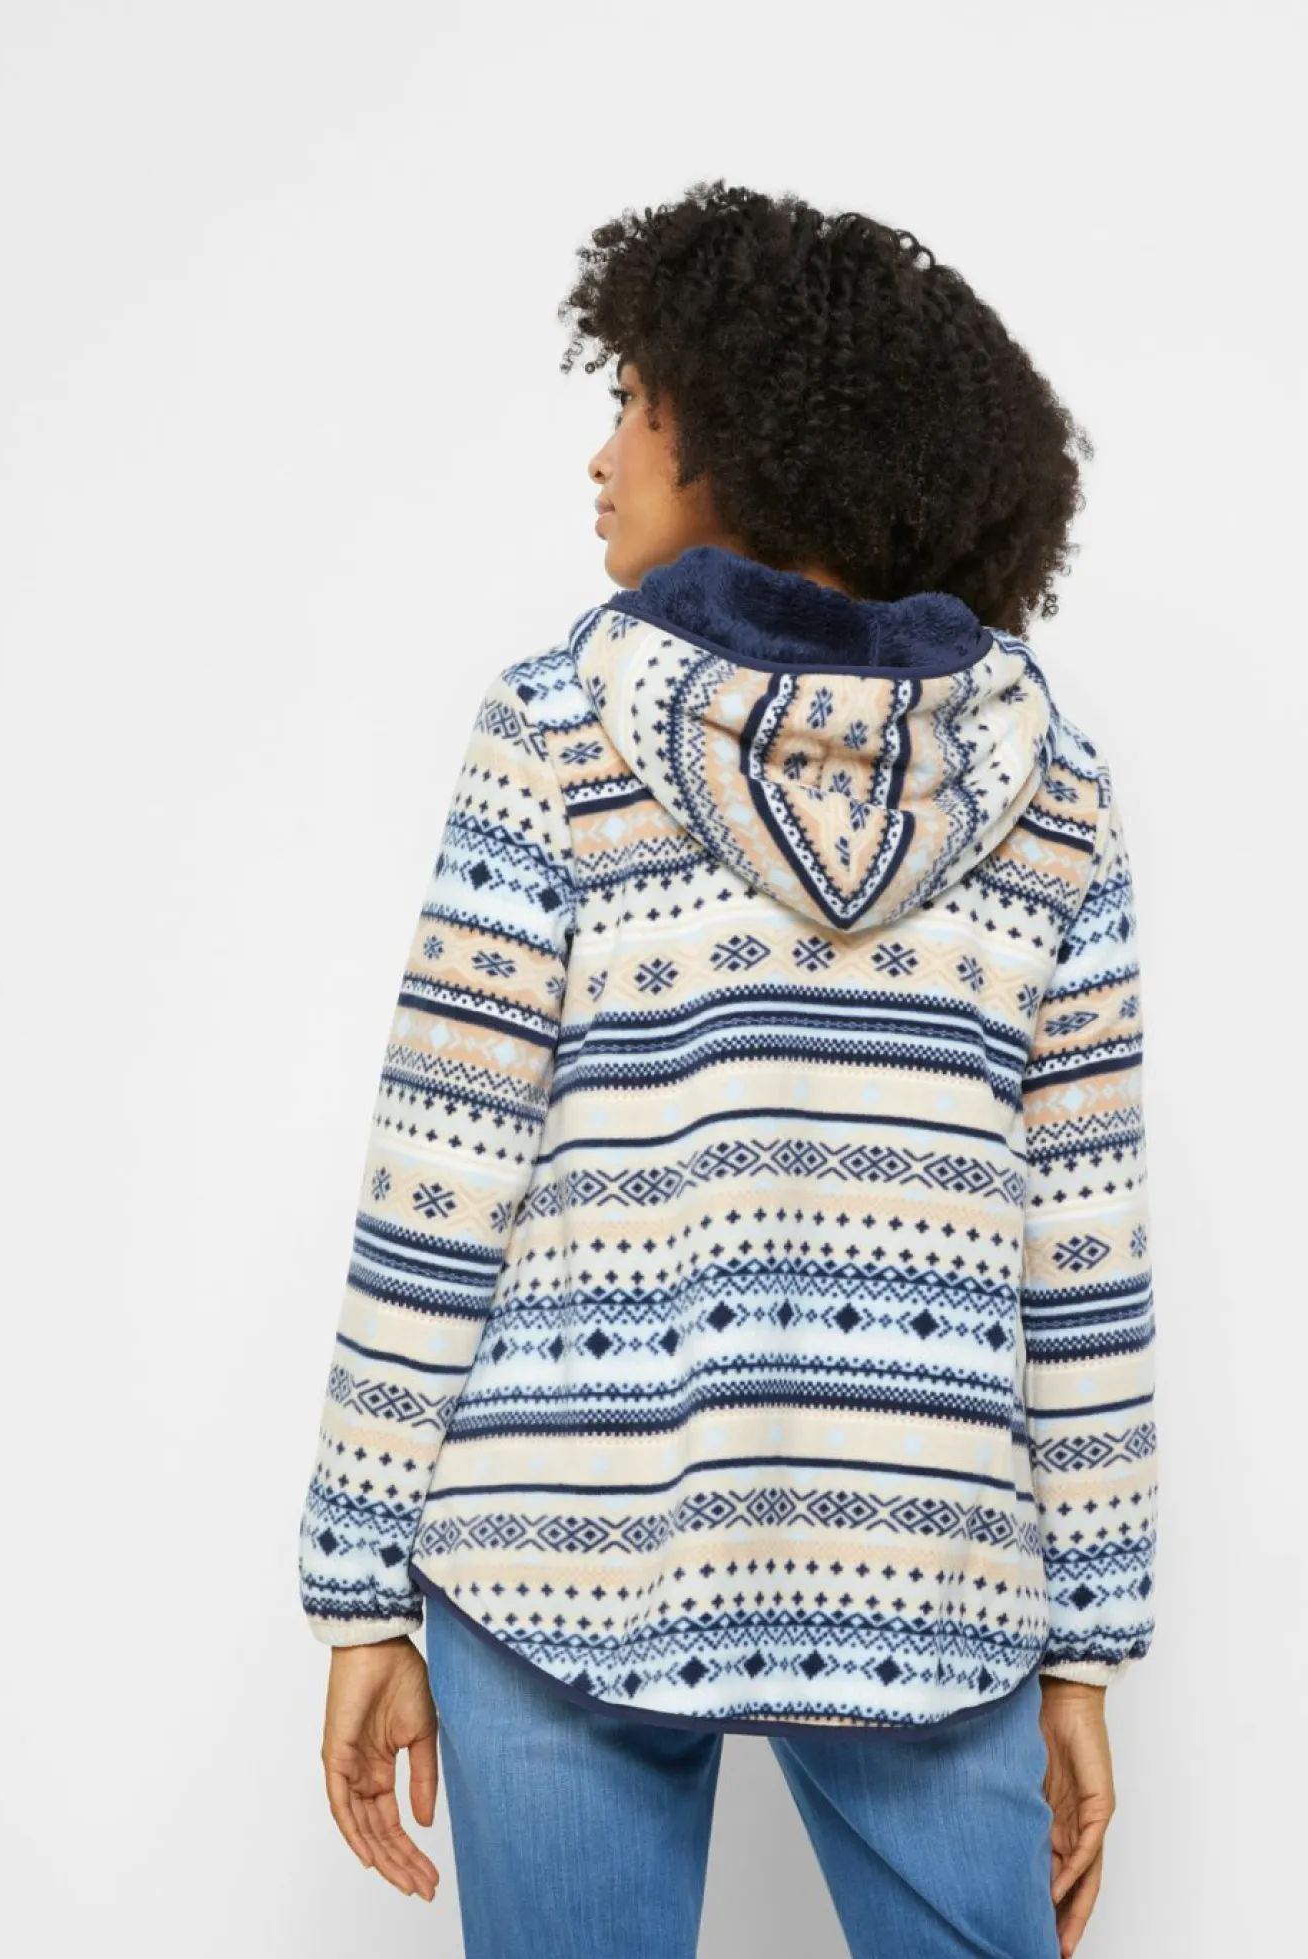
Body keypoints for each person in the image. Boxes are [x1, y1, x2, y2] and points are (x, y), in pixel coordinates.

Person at [296, 181, 1157, 1959]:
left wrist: (361, 1578)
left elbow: (441, 1179)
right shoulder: (1053, 789)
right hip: (926, 1567)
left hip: (550, 1546)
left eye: (636, 403)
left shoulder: (555, 728)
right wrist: (1082, 1642)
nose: (601, 452)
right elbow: (1083, 1251)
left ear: (753, 445)